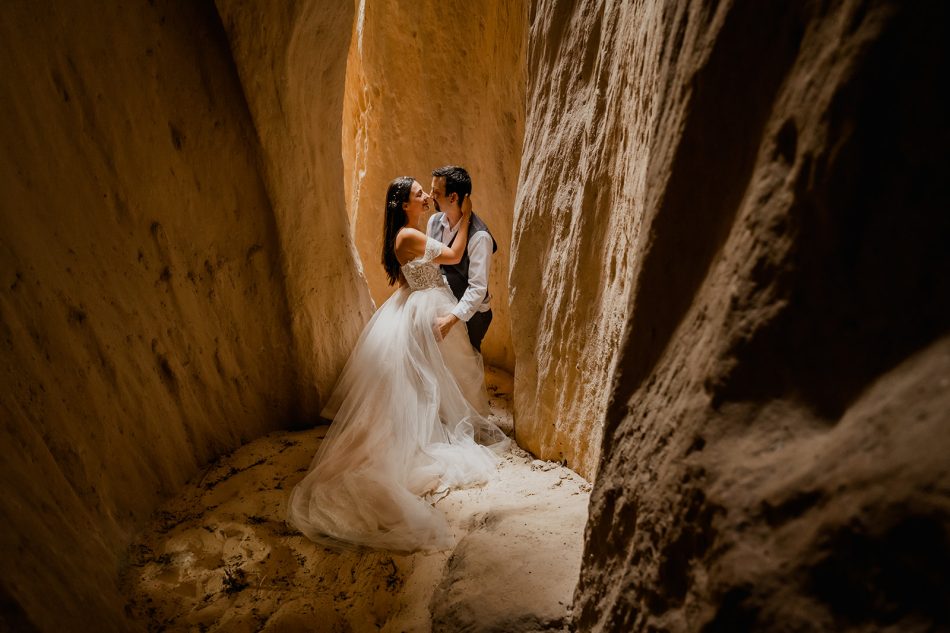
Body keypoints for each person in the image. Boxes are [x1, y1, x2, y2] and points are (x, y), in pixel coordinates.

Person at [286, 177, 509, 552]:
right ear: (404, 205)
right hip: (423, 305)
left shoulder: (414, 232)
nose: (426, 198)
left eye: (427, 192)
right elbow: (454, 256)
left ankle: (444, 421)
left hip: (424, 301)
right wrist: (467, 217)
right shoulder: (408, 236)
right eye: (419, 194)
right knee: (421, 382)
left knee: (435, 379)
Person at [427, 166, 497, 352]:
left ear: (453, 197)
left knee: (467, 366)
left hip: (470, 315)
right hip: (441, 304)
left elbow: (477, 289)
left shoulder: (480, 237)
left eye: (436, 192)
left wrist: (449, 321)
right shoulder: (433, 222)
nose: (430, 195)